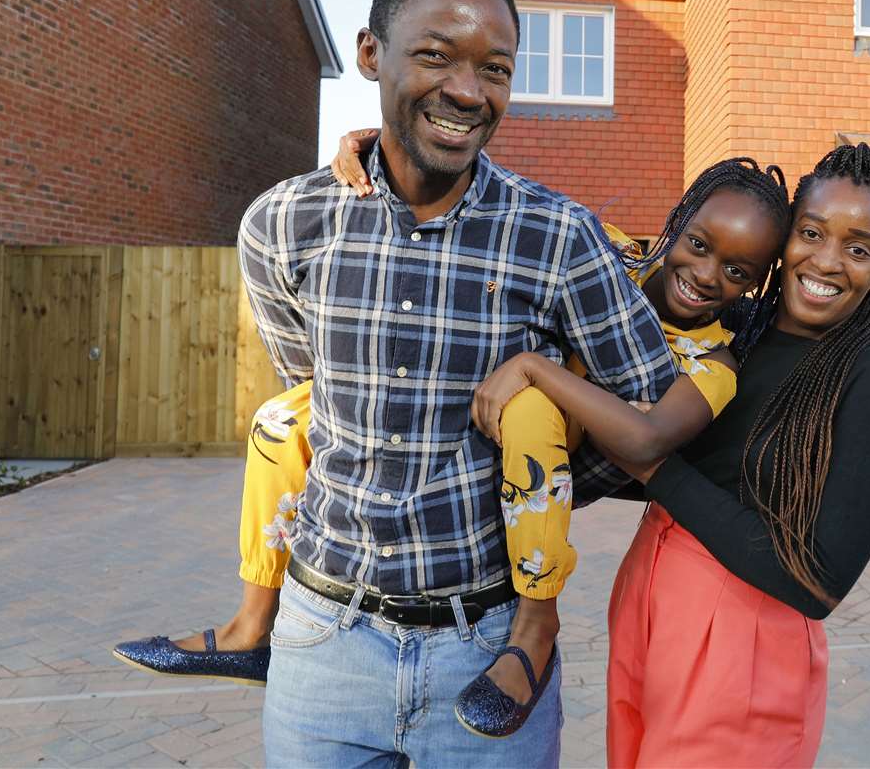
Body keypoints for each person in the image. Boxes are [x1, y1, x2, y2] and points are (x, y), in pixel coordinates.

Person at [123, 0, 677, 768]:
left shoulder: (559, 236)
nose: (467, 90)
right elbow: (316, 400)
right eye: (435, 55)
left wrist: (543, 472)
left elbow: (650, 420)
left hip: (490, 651)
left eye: (495, 68)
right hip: (323, 646)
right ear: (370, 53)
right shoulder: (284, 225)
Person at [116, 146, 792, 742]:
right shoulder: (606, 248)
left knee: (530, 411)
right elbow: (506, 206)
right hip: (464, 409)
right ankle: (251, 625)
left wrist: (535, 370)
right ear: (677, 222)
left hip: (556, 453)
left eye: (738, 272)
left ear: (756, 285)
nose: (708, 275)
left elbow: (647, 436)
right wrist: (380, 153)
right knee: (282, 418)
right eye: (699, 245)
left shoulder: (718, 363)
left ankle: (536, 625)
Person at [598, 142, 870, 768]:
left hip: (745, 638)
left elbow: (818, 581)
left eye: (858, 248)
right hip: (646, 597)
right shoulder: (732, 331)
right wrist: (389, 155)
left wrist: (651, 462)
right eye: (811, 233)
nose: (826, 261)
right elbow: (605, 260)